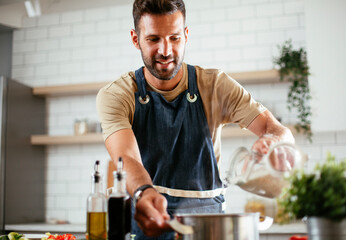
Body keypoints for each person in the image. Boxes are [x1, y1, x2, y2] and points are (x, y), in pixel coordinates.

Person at [96, 0, 295, 239]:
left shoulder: (216, 85)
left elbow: (278, 130)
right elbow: (126, 158)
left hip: (207, 230)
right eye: (153, 39)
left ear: (186, 35)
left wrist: (275, 141)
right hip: (148, 221)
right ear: (135, 39)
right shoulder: (117, 95)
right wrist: (144, 192)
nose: (166, 50)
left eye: (174, 38)